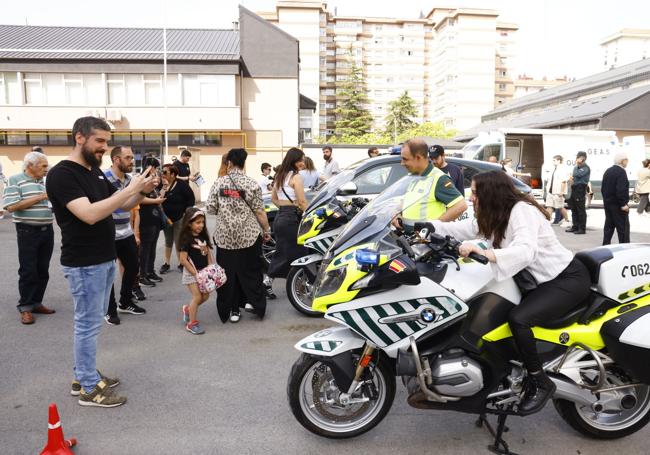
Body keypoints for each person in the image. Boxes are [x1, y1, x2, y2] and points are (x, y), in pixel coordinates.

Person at [432, 170, 590, 415]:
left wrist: (485, 253)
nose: (471, 198)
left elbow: (525, 250)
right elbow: (460, 229)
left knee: (519, 318)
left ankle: (540, 381)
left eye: (475, 193)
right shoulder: (494, 214)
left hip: (564, 279)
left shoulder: (521, 211)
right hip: (536, 281)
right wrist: (417, 226)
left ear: (491, 192)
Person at [46, 116, 157, 408]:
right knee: (87, 325)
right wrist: (130, 189)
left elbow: (122, 205)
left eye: (107, 142)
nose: (104, 148)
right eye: (99, 141)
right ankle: (87, 388)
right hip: (84, 263)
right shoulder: (62, 175)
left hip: (104, 258)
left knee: (91, 324)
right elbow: (91, 214)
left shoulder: (95, 173)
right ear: (79, 137)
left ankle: (83, 374)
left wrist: (141, 190)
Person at [206, 148, 272, 323]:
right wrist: (266, 230)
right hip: (248, 236)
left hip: (225, 236)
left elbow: (211, 208)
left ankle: (233, 310)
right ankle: (254, 304)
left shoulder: (219, 183)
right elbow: (259, 211)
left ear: (229, 162)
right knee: (251, 272)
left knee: (228, 275)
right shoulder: (251, 184)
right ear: (244, 162)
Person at [2, 151, 55, 325]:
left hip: (47, 229)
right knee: (28, 270)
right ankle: (25, 306)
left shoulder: (44, 181)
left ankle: (36, 302)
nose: (46, 169)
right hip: (27, 231)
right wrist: (41, 196)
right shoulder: (15, 180)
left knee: (43, 270)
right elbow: (11, 206)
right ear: (30, 166)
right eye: (43, 166)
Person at [104, 146, 146, 325]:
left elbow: (129, 206)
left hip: (125, 232)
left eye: (132, 157)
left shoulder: (130, 180)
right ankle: (109, 309)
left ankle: (125, 302)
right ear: (116, 160)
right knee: (108, 273)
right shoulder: (103, 179)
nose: (132, 161)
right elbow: (117, 205)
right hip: (107, 235)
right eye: (128, 158)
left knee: (133, 267)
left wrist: (144, 191)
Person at [398, 139, 467, 231]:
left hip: (426, 241)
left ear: (418, 158)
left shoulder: (439, 178)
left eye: (405, 159)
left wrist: (432, 228)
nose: (402, 163)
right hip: (411, 239)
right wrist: (397, 214)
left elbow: (461, 206)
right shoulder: (413, 176)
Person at [269, 147, 309, 279]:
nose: (302, 163)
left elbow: (274, 199)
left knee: (281, 252)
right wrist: (307, 213)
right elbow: (302, 201)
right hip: (292, 219)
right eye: (300, 161)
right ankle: (304, 282)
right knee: (301, 252)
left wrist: (284, 207)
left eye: (303, 161)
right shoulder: (296, 177)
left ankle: (268, 281)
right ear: (293, 161)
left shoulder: (280, 175)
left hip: (280, 218)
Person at [178, 207, 214, 335]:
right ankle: (192, 324)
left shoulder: (202, 236)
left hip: (203, 272)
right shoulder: (185, 239)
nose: (201, 225)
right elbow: (183, 260)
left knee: (205, 295)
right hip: (191, 273)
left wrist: (211, 267)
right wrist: (195, 273)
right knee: (197, 296)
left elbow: (208, 251)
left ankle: (188, 309)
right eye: (197, 222)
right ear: (189, 223)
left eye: (202, 222)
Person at [159, 163, 195, 274]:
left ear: (173, 174)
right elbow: (159, 199)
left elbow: (191, 199)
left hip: (180, 218)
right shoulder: (162, 185)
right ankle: (167, 263)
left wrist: (186, 213)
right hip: (166, 218)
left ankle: (181, 263)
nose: (163, 174)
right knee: (168, 240)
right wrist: (164, 187)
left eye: (165, 172)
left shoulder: (182, 185)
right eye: (162, 172)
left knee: (179, 241)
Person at [138, 158, 166, 287]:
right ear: (150, 167)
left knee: (152, 247)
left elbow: (156, 197)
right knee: (145, 248)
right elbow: (139, 199)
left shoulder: (153, 181)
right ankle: (142, 275)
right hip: (145, 219)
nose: (157, 171)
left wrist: (164, 187)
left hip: (154, 219)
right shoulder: (141, 180)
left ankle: (150, 271)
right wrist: (156, 201)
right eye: (156, 167)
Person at [601, 152, 631, 245]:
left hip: (608, 204)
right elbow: (621, 189)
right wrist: (623, 204)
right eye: (627, 160)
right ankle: (625, 249)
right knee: (623, 230)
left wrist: (606, 201)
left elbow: (603, 188)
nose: (627, 162)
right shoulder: (621, 172)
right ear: (622, 161)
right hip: (618, 206)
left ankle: (605, 247)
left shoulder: (608, 171)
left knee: (608, 228)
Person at [566, 151, 590, 235]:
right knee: (574, 209)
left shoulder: (586, 167)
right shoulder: (577, 167)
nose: (576, 159)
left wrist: (574, 173)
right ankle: (575, 226)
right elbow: (574, 173)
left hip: (580, 188)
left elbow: (577, 174)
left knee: (580, 209)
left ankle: (582, 228)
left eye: (578, 157)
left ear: (582, 158)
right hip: (574, 188)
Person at [545, 155, 571, 227]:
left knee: (560, 207)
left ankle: (567, 221)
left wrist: (562, 192)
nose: (553, 162)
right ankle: (547, 221)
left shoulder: (562, 169)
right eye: (553, 160)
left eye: (554, 160)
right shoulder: (553, 168)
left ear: (559, 161)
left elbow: (563, 181)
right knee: (549, 206)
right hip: (550, 191)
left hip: (558, 192)